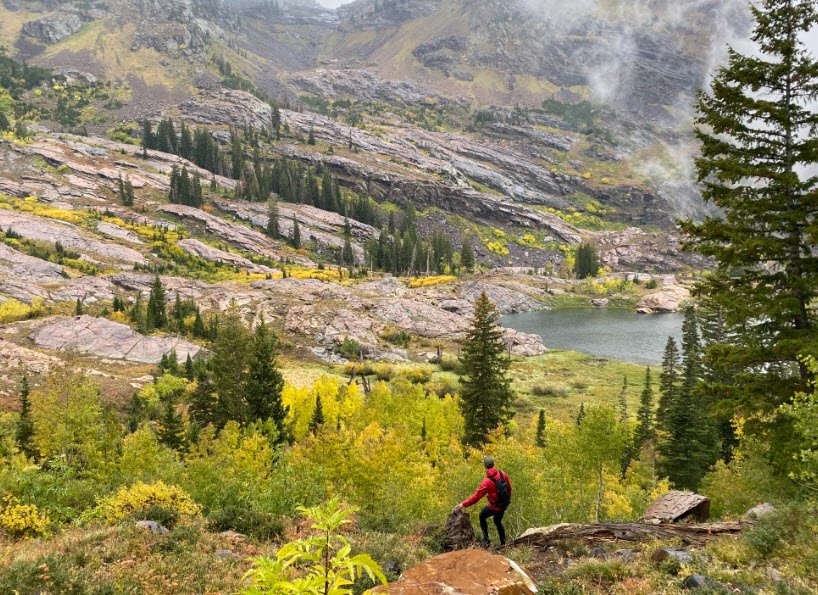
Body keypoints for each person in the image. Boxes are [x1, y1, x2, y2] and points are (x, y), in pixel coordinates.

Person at [454, 455, 511, 546]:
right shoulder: (502, 474)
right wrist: (507, 501)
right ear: (494, 464)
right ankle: (503, 544)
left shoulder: (486, 482)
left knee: (482, 516)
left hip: (494, 506)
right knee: (497, 521)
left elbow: (476, 497)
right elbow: (509, 488)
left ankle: (486, 540)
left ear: (485, 466)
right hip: (504, 504)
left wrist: (463, 504)